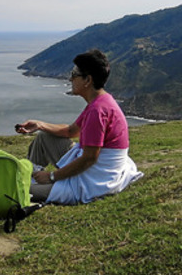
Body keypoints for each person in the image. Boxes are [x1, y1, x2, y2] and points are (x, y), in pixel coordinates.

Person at [15, 49, 143, 204]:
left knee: (19, 189)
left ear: (87, 80)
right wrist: (40, 125)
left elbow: (89, 159)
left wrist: (52, 176)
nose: (71, 79)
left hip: (94, 182)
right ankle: (32, 174)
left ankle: (33, 181)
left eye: (74, 74)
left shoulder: (97, 111)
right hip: (98, 170)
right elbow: (70, 131)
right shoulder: (101, 101)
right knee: (44, 137)